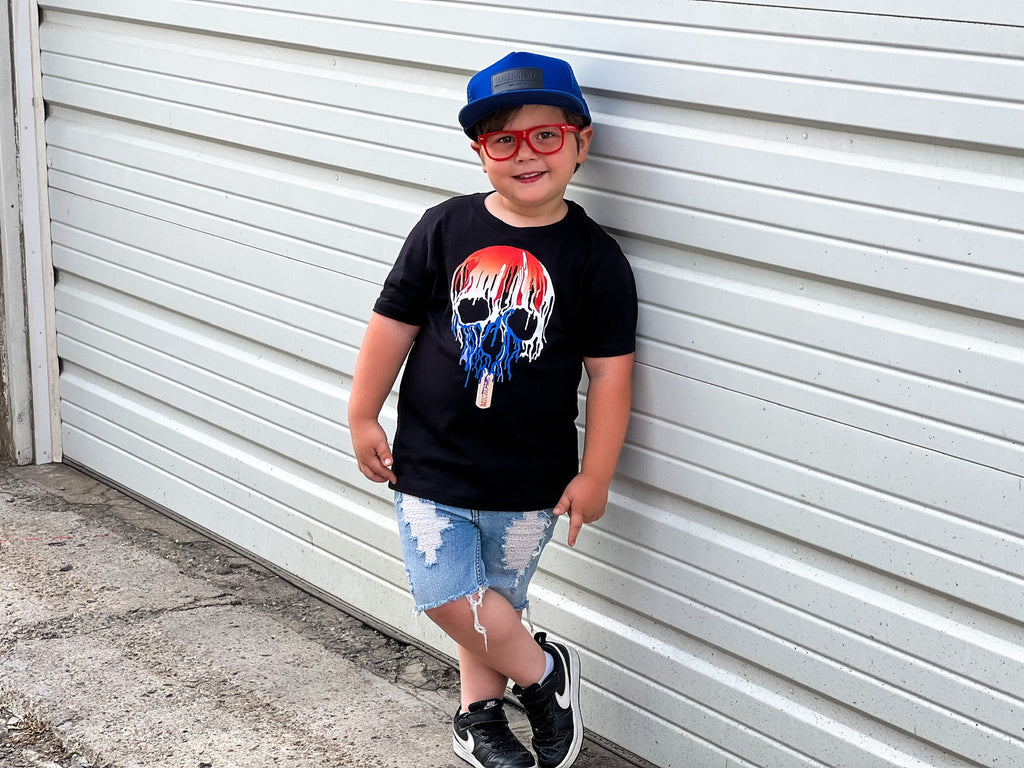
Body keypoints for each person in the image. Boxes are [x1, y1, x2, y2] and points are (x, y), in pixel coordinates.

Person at [348, 50, 637, 768]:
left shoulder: (596, 259)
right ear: (480, 152)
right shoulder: (444, 228)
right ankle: (543, 676)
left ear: (580, 142)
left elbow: (609, 377)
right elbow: (392, 325)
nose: (526, 153)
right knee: (448, 595)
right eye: (503, 139)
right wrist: (362, 414)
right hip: (430, 463)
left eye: (546, 135)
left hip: (530, 477)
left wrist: (596, 474)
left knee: (493, 605)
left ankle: (478, 719)